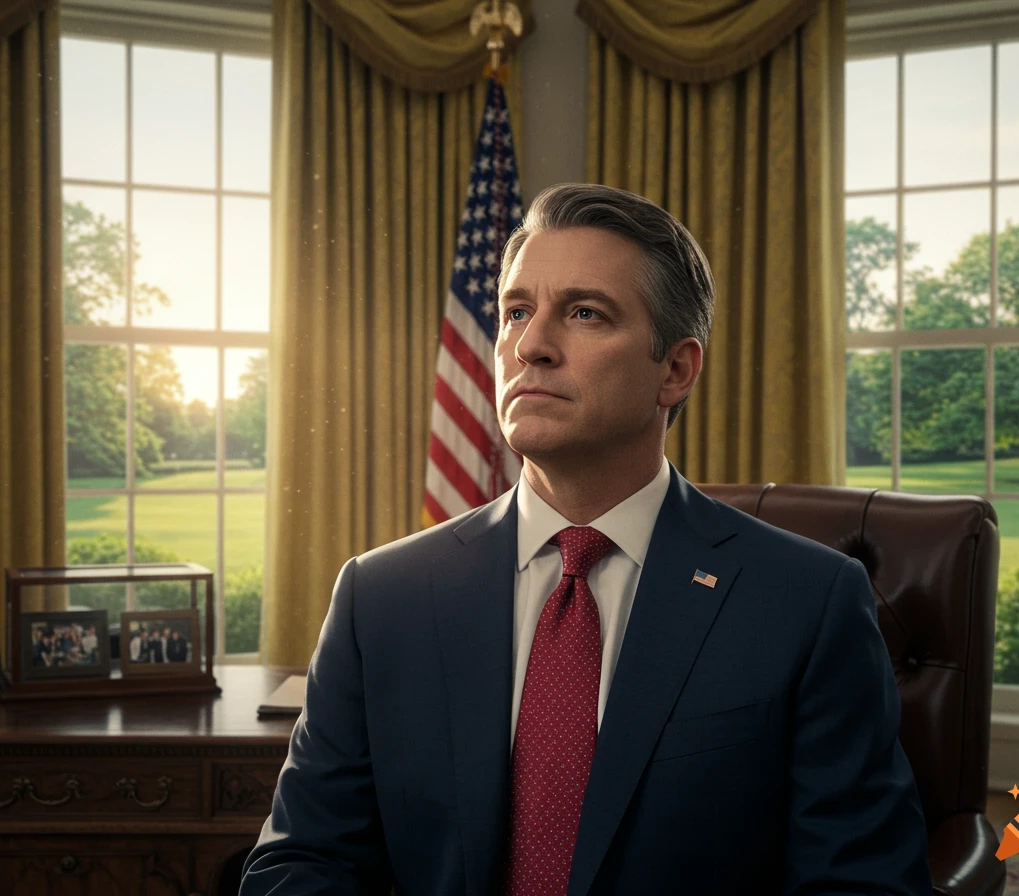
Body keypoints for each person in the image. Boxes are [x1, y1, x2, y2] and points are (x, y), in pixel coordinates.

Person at [240, 184, 930, 895]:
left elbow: (863, 883)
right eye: (516, 312)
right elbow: (302, 863)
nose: (531, 345)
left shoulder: (806, 602)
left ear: (676, 369)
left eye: (584, 313)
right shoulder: (379, 597)